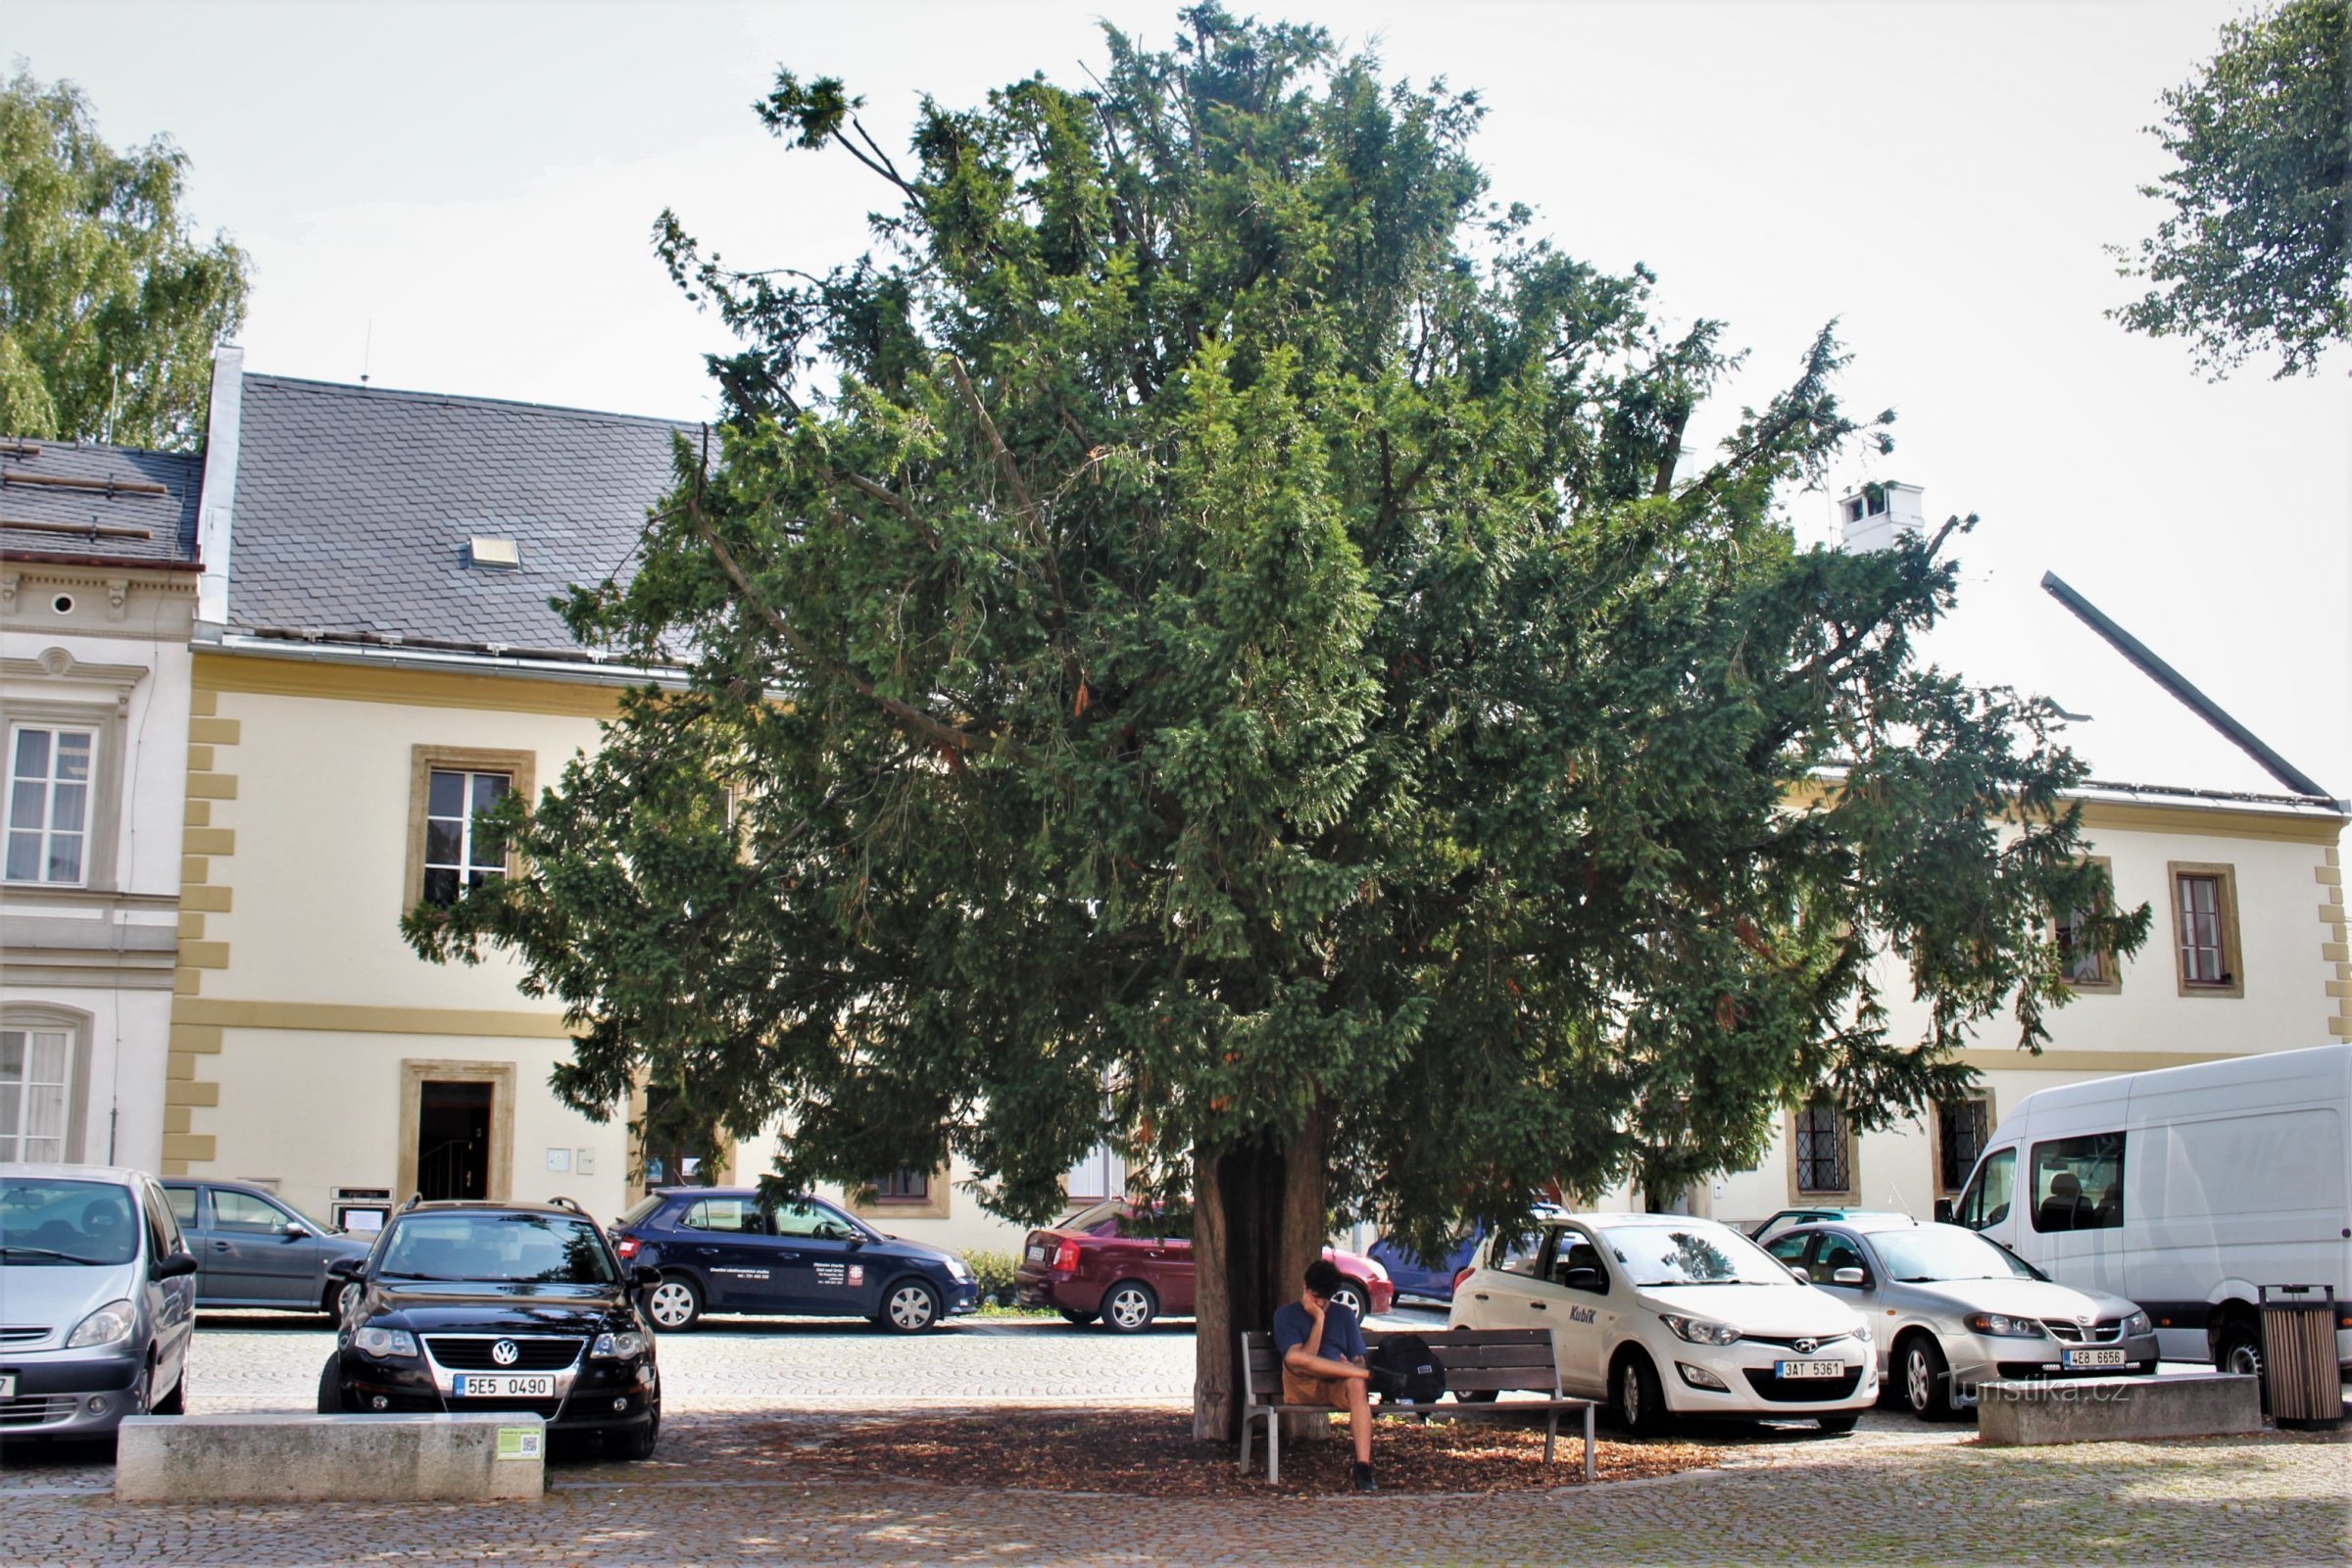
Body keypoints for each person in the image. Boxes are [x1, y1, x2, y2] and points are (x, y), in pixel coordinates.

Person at [1271, 1257, 1377, 1492]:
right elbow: (1304, 1362)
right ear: (1304, 1286)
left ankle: (1363, 1467)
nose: (1318, 1303)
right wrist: (1319, 1320)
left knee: (1357, 1380)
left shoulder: (1344, 1315)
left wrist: (1351, 1365)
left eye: (1323, 1300)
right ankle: (1370, 1375)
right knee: (1294, 1358)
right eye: (1314, 1296)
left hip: (1336, 1384)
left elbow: (1358, 1361)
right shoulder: (1285, 1315)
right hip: (1303, 1385)